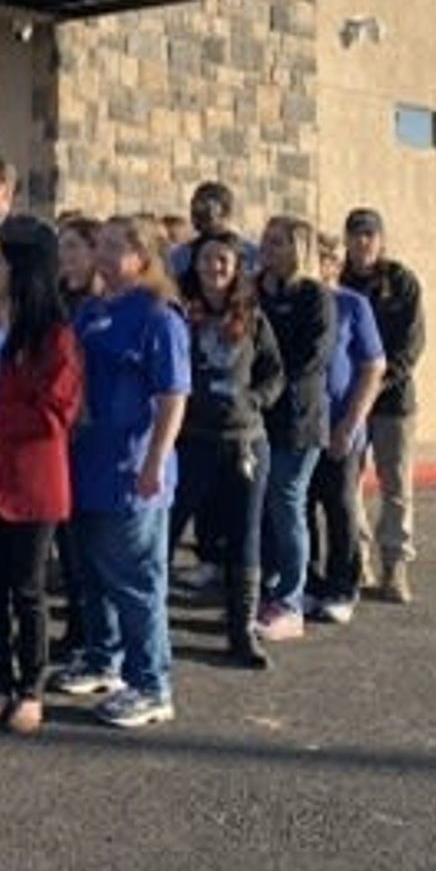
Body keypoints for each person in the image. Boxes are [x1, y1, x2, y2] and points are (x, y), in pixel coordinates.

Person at [0, 216, 81, 735]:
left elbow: (55, 416)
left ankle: (32, 687)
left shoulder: (55, 338)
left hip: (29, 481)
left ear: (23, 271)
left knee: (26, 589)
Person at [71, 215, 190, 727]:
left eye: (117, 247)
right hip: (87, 461)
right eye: (102, 245)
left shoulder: (159, 318)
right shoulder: (93, 310)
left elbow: (172, 397)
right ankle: (105, 658)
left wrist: (154, 462)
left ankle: (151, 684)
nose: (103, 255)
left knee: (137, 581)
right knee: (95, 575)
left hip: (131, 468)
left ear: (144, 258)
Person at [173, 233, 284, 667]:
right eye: (206, 259)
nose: (213, 267)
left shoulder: (252, 316)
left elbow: (274, 373)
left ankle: (240, 632)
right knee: (168, 531)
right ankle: (150, 628)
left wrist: (253, 400)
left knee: (244, 538)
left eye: (222, 260)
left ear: (236, 267)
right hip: (192, 440)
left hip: (243, 442)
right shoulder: (181, 312)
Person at [254, 215, 338, 642]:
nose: (267, 248)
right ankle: (269, 587)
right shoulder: (254, 291)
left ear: (298, 249)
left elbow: (312, 359)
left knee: (287, 503)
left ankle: (291, 601)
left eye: (278, 242)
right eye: (266, 240)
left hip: (299, 420)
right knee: (264, 506)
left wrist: (269, 379)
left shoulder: (315, 297)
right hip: (258, 418)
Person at [341, 207, 426, 604]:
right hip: (350, 401)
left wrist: (378, 384)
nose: (362, 242)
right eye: (355, 234)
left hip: (393, 403)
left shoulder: (402, 282)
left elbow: (411, 346)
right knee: (349, 485)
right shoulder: (337, 280)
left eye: (369, 235)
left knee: (395, 486)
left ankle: (395, 566)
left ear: (381, 239)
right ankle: (358, 563)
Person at [307, 231, 386, 624]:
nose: (321, 263)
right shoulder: (293, 302)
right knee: (299, 509)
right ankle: (308, 583)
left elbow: (373, 367)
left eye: (327, 258)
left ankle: (342, 587)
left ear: (335, 266)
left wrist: (350, 423)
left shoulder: (353, 305)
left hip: (341, 426)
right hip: (300, 429)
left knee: (340, 508)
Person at [45, 214, 102, 681]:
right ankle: (77, 627)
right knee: (68, 538)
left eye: (74, 248)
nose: (65, 258)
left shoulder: (100, 305)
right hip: (61, 430)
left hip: (91, 431)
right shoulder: (59, 300)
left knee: (88, 542)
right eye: (61, 249)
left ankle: (91, 633)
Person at [167, 181, 260, 280]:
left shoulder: (252, 255)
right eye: (195, 206)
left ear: (225, 211)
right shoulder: (180, 256)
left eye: (205, 207)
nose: (198, 214)